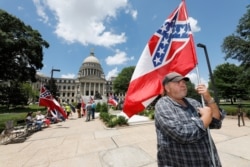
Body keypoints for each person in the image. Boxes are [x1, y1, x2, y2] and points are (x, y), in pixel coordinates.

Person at [155, 72, 225, 167]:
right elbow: (181, 134)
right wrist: (205, 118)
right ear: (167, 88)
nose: (183, 85)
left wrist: (208, 99)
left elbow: (216, 123)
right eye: (177, 83)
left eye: (184, 82)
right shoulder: (163, 104)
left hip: (210, 162)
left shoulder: (193, 102)